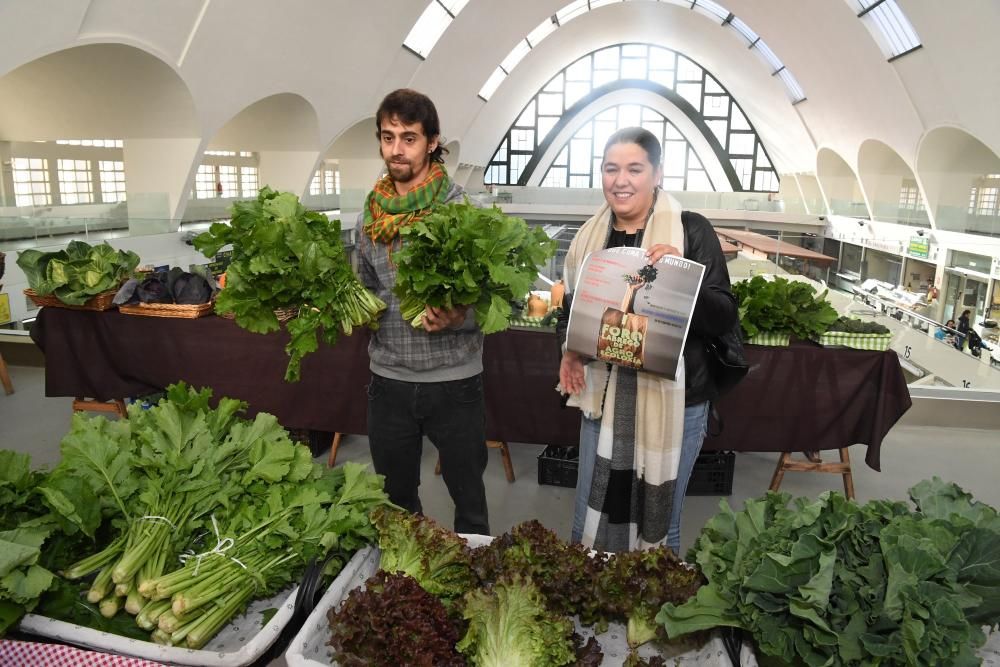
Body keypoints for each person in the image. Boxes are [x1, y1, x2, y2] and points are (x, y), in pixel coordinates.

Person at [556, 127, 738, 554]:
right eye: (610, 168)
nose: (621, 180)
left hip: (678, 401)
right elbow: (574, 313)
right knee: (589, 508)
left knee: (662, 519)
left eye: (634, 169)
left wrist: (679, 275)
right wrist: (568, 351)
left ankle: (654, 613)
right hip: (602, 396)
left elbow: (724, 314)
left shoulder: (690, 231)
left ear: (657, 173)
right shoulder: (589, 240)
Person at [356, 88, 489, 535]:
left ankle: (477, 591)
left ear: (432, 142)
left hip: (454, 382)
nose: (396, 149)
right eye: (388, 136)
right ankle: (406, 590)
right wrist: (347, 306)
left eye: (408, 138)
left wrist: (460, 317)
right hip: (388, 382)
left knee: (468, 498)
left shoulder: (460, 210)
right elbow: (366, 286)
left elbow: (498, 301)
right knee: (396, 505)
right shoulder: (369, 217)